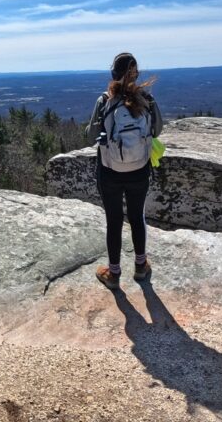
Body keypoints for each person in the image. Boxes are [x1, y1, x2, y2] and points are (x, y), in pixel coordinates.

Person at [88, 52, 162, 290]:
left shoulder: (104, 101)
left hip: (110, 171)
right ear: (135, 74)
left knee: (114, 219)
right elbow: (157, 130)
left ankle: (114, 273)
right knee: (137, 216)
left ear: (113, 74)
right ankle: (141, 267)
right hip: (139, 169)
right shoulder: (146, 99)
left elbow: (91, 136)